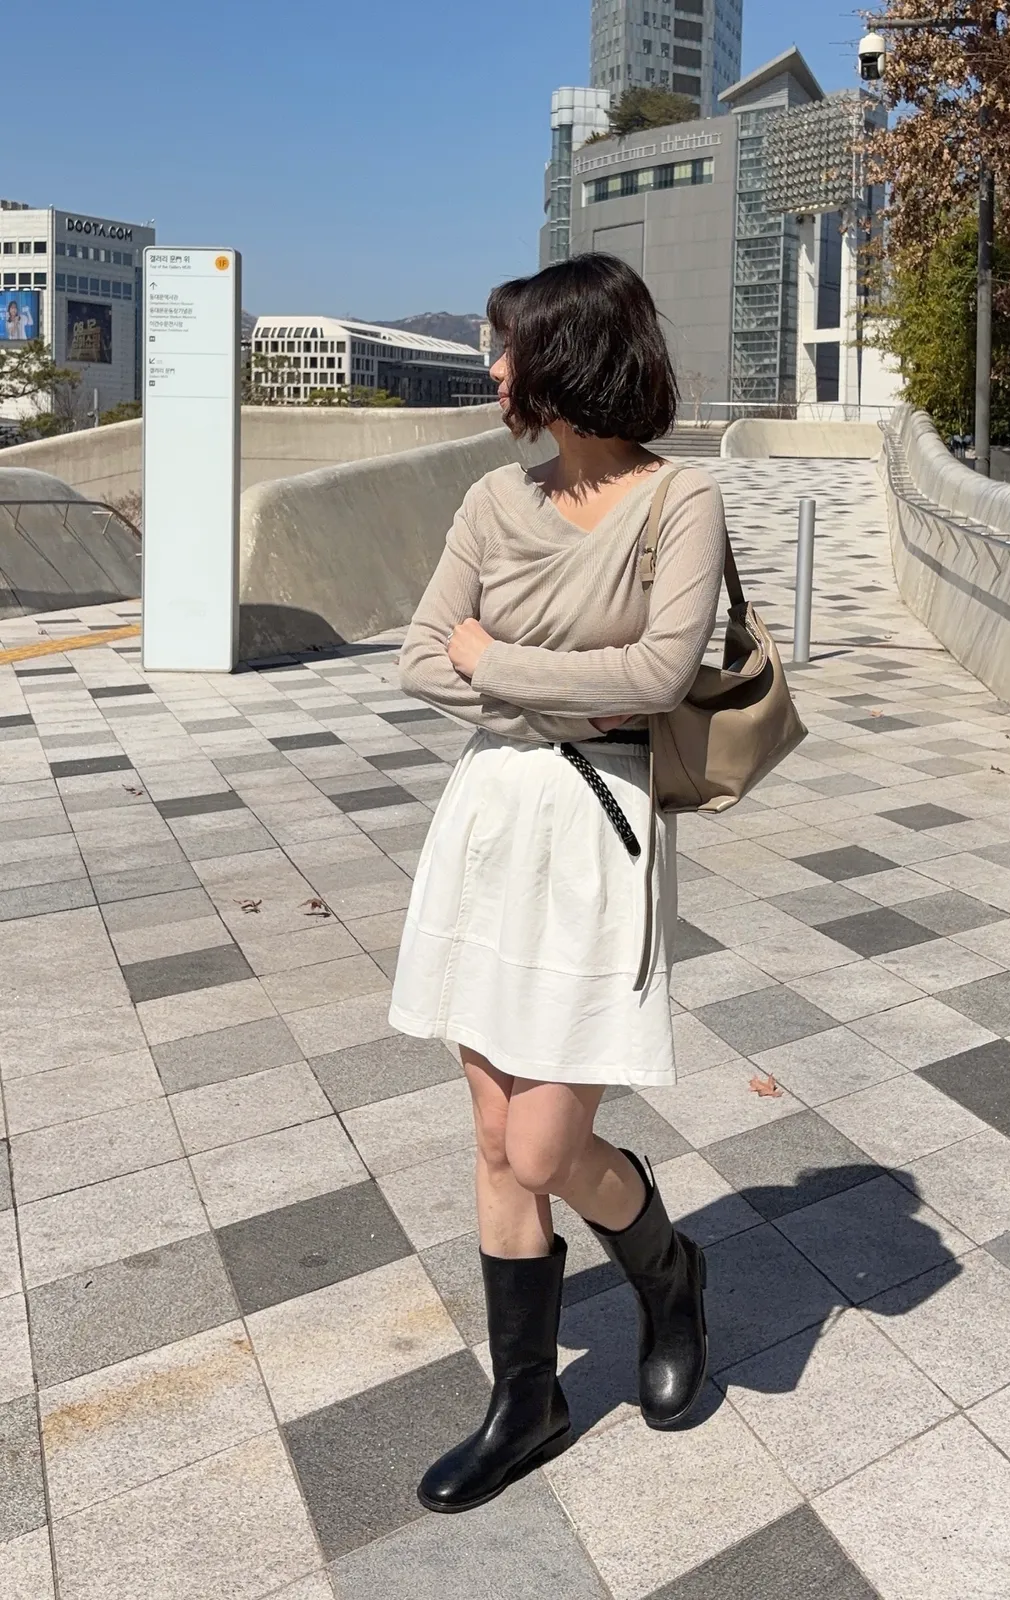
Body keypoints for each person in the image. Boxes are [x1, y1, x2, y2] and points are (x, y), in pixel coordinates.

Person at [390, 253, 728, 1513]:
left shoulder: (679, 503)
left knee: (543, 1143)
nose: (493, 369)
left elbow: (658, 677)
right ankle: (525, 1400)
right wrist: (554, 685)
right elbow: (419, 658)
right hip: (491, 822)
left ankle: (667, 1267)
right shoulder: (492, 499)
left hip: (598, 832)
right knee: (493, 1138)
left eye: (507, 347)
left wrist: (498, 660)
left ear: (569, 357)